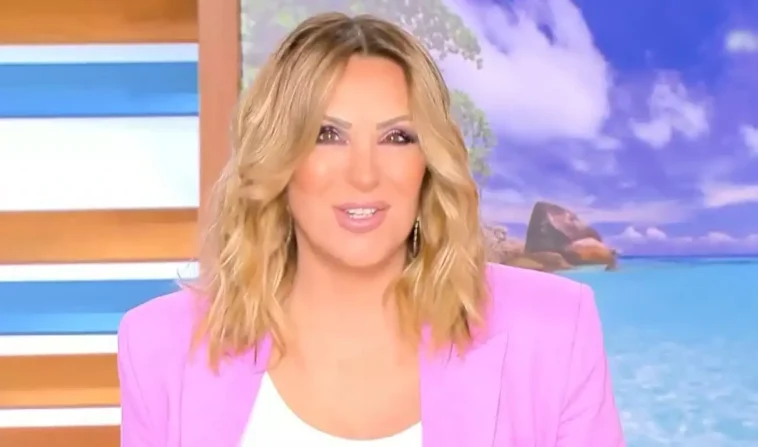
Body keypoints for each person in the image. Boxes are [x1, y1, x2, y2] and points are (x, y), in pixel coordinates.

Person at [117, 12, 625, 447]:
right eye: (327, 134)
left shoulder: (555, 329)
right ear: (279, 159)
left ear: (429, 162)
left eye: (397, 137)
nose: (364, 175)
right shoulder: (161, 346)